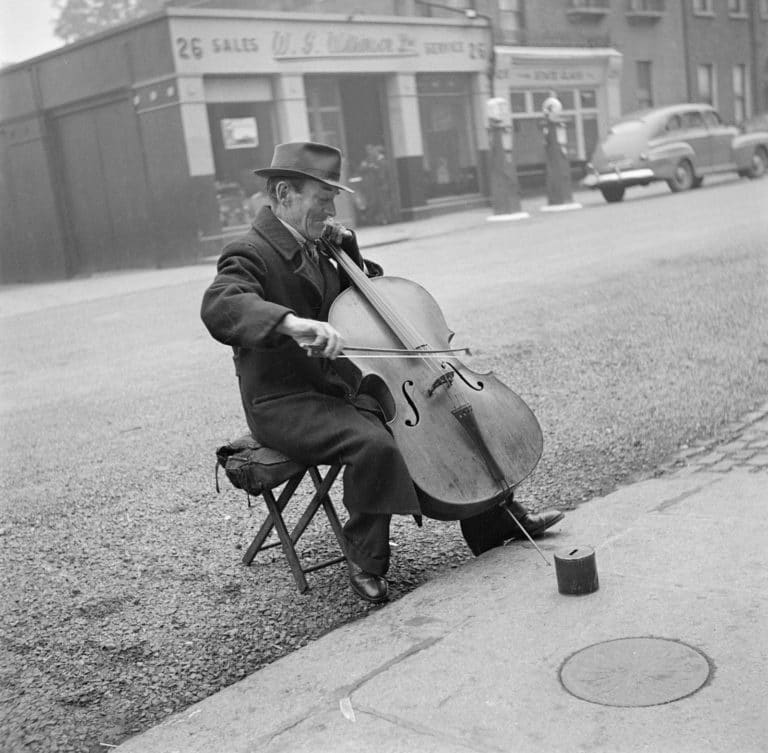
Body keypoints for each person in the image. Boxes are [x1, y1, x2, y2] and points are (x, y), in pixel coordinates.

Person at [201, 141, 563, 604]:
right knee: (372, 443)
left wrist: (353, 254)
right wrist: (292, 324)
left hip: (341, 387)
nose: (333, 209)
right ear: (285, 193)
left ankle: (495, 520)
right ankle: (366, 560)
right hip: (285, 402)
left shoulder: (322, 245)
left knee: (444, 421)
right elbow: (221, 305)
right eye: (323, 198)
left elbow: (368, 303)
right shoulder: (248, 251)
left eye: (334, 198)